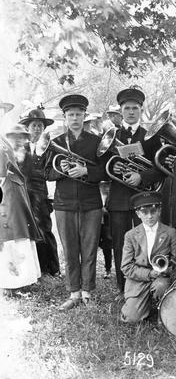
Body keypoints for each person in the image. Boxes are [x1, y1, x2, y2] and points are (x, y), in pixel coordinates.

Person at [43, 94, 107, 310]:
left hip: (91, 203)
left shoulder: (96, 142)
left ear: (84, 116)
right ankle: (73, 292)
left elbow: (106, 171)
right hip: (64, 204)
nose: (75, 118)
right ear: (65, 117)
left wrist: (86, 170)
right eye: (71, 115)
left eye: (79, 114)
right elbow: (45, 172)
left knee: (89, 249)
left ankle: (87, 292)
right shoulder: (57, 143)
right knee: (70, 250)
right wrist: (61, 171)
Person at [106, 87, 164, 301]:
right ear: (121, 111)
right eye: (127, 108)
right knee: (121, 246)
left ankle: (148, 287)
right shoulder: (112, 135)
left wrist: (142, 177)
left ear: (141, 109)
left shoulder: (151, 136)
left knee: (147, 243)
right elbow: (104, 163)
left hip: (144, 198)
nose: (131, 112)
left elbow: (159, 166)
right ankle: (124, 290)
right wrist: (119, 170)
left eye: (135, 108)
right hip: (119, 199)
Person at [120, 191, 176, 323]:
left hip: (161, 279)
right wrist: (149, 273)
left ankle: (162, 313)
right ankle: (144, 305)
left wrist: (167, 270)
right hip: (139, 280)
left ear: (159, 211)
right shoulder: (130, 235)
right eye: (145, 212)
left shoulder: (170, 232)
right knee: (131, 318)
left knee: (160, 286)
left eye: (153, 211)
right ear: (138, 214)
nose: (149, 216)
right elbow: (126, 266)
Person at [18, 107, 61, 279]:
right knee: (27, 232)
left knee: (45, 230)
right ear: (27, 128)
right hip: (23, 194)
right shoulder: (21, 147)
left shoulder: (50, 148)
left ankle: (52, 269)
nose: (37, 129)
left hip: (42, 195)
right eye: (34, 125)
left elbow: (53, 172)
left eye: (40, 126)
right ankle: (33, 271)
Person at [0, 126, 42, 296]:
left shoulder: (4, 141)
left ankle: (17, 280)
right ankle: (9, 282)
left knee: (16, 233)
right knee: (8, 234)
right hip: (7, 190)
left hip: (13, 191)